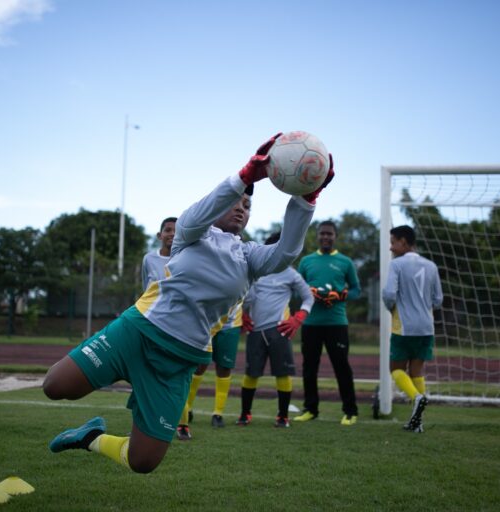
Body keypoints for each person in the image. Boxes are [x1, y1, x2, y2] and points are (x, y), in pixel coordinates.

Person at [42, 133, 334, 473]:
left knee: (142, 461)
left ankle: (90, 437)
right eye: (237, 201)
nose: (242, 207)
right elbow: (195, 216)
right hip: (137, 332)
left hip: (179, 360)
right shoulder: (192, 233)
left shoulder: (250, 257)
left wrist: (307, 200)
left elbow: (286, 252)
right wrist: (243, 177)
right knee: (56, 385)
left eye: (248, 206)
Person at [237, 231, 314, 428]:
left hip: (279, 330)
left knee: (282, 373)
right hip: (255, 330)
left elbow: (308, 297)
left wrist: (298, 318)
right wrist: (243, 314)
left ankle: (282, 417)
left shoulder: (291, 273)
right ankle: (245, 414)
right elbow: (244, 294)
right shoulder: (257, 270)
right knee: (251, 373)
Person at [294, 220, 361, 425]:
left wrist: (340, 295)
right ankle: (311, 409)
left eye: (329, 234)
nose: (325, 237)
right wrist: (311, 293)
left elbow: (356, 290)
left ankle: (350, 411)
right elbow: (296, 289)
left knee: (341, 367)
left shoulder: (345, 262)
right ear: (317, 236)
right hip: (311, 323)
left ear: (335, 237)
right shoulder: (306, 261)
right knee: (309, 368)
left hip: (336, 323)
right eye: (322, 233)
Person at [382, 225, 443, 433]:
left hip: (404, 327)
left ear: (403, 242)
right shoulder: (431, 266)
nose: (391, 248)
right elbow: (438, 299)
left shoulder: (396, 264)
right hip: (427, 327)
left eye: (393, 242)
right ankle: (418, 422)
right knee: (417, 371)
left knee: (396, 370)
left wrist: (391, 308)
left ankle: (417, 397)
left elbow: (389, 294)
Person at [175, 300, 244, 440]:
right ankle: (188, 409)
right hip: (205, 322)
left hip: (230, 324)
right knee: (198, 366)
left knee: (224, 368)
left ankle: (218, 413)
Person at [141, 217, 177, 290]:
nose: (172, 234)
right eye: (168, 230)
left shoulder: (184, 258)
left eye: (177, 231)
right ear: (159, 235)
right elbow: (146, 287)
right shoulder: (148, 258)